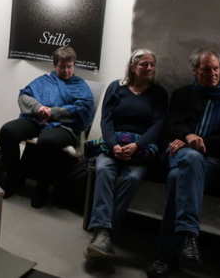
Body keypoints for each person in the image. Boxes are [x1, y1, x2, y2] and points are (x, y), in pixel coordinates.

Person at [85, 49, 168, 260]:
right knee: (104, 169)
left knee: (132, 178)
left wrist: (138, 145)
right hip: (114, 146)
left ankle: (103, 232)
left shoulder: (158, 93)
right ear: (132, 67)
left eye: (152, 64)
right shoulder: (116, 87)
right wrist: (113, 145)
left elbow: (157, 125)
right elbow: (106, 120)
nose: (149, 68)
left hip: (141, 150)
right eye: (144, 64)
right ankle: (103, 233)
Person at [147, 48, 220, 278]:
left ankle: (166, 255)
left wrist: (196, 141)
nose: (213, 73)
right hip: (180, 154)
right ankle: (189, 236)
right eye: (206, 69)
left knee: (177, 178)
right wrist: (187, 136)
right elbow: (172, 126)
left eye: (216, 68)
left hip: (211, 161)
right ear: (194, 70)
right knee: (190, 158)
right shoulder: (182, 94)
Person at [0, 46, 95, 207]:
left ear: (74, 65)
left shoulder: (80, 85)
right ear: (54, 65)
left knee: (47, 141)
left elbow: (84, 109)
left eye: (69, 66)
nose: (66, 71)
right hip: (37, 119)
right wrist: (38, 108)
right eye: (62, 67)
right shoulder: (44, 81)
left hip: (64, 125)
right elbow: (24, 96)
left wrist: (54, 112)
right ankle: (14, 177)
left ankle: (42, 186)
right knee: (7, 131)